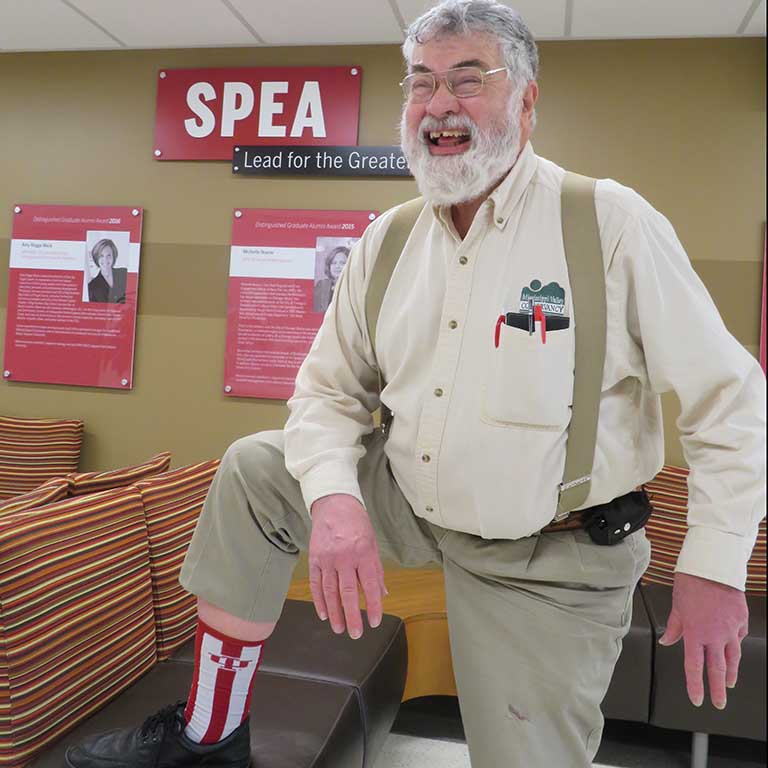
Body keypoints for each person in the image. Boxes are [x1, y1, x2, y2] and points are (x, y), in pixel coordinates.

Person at [65, 2, 766, 767]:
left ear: (526, 102)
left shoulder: (608, 223)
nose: (439, 104)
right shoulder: (388, 240)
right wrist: (335, 502)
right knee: (258, 470)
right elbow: (326, 394)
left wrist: (712, 568)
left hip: (552, 550)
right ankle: (212, 734)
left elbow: (731, 400)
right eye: (422, 82)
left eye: (469, 80)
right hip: (414, 502)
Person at [87, 238, 127, 304]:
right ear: (96, 258)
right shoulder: (92, 287)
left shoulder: (124, 273)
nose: (105, 259)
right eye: (101, 256)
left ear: (113, 256)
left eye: (108, 255)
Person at [312, 244, 350, 312]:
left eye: (342, 263)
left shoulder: (355, 287)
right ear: (329, 266)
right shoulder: (322, 285)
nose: (337, 266)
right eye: (333, 263)